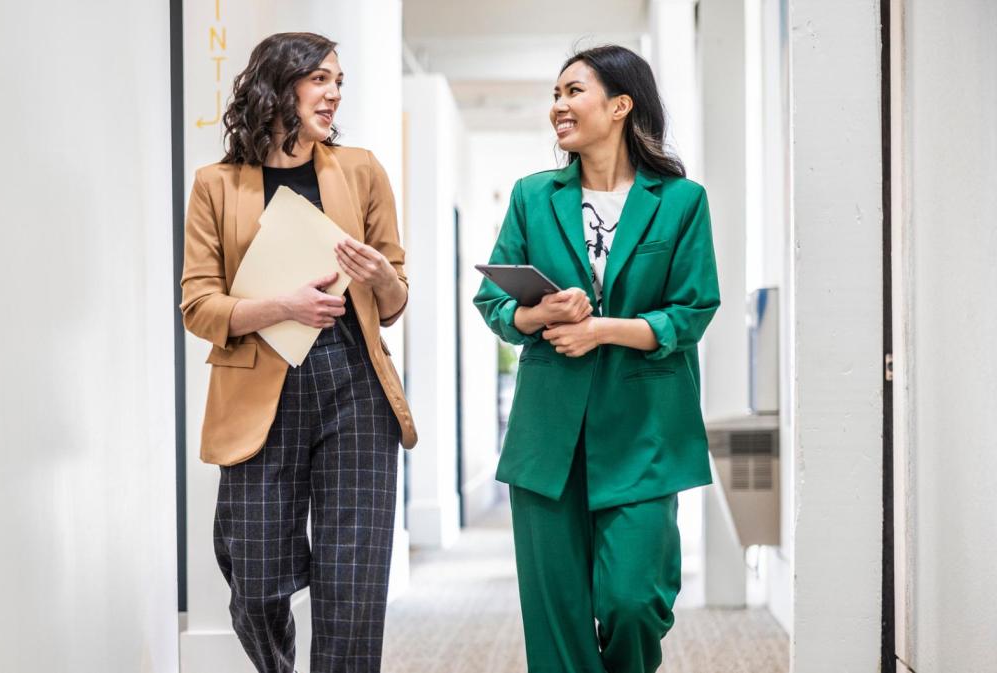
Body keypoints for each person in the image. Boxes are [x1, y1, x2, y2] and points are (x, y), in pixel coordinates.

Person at [473, 45, 720, 673]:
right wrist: (539, 316)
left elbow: (692, 312)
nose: (558, 105)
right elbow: (494, 301)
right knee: (556, 623)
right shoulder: (533, 197)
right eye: (554, 94)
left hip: (645, 431)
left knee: (634, 600)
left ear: (619, 104)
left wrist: (601, 330)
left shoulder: (681, 201)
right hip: (548, 435)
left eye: (573, 91)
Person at [179, 32, 417, 673]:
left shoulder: (362, 170)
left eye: (339, 80)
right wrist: (282, 308)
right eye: (320, 78)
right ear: (278, 85)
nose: (334, 93)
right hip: (260, 390)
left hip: (355, 387)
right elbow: (198, 307)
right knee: (254, 584)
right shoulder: (215, 186)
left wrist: (377, 277)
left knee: (352, 585)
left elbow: (395, 300)